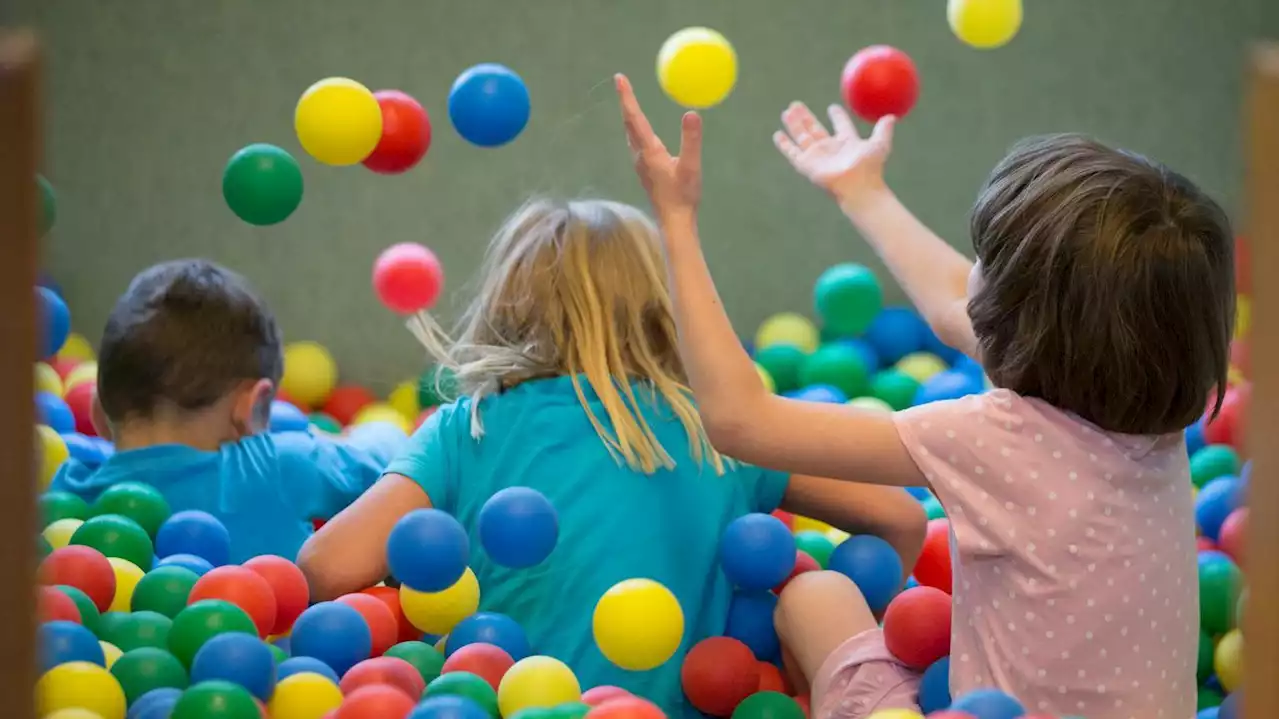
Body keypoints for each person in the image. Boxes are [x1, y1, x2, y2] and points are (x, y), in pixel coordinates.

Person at [614, 74, 1233, 719]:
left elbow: (740, 421)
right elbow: (954, 306)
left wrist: (676, 220)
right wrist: (861, 190)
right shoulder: (1158, 409)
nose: (970, 277)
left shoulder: (995, 438)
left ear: (1018, 317)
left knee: (815, 596)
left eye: (982, 261)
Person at [297, 198, 926, 717]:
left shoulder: (471, 427)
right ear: (666, 306)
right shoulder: (718, 426)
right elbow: (900, 517)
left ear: (507, 306)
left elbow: (325, 568)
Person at [49, 260, 404, 563]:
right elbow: (394, 459)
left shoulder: (68, 491)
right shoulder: (284, 465)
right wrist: (349, 436)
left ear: (98, 413)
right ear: (252, 409)